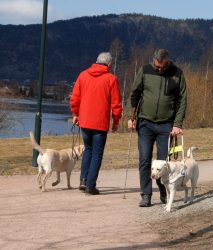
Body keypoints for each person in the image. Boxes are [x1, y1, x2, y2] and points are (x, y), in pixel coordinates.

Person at [128, 48, 187, 207]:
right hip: (145, 123)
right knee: (145, 160)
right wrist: (131, 117)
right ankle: (146, 195)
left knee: (164, 163)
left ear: (167, 62)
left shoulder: (177, 74)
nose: (159, 69)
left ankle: (163, 191)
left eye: (162, 67)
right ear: (153, 60)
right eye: (157, 66)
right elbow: (135, 94)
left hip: (166, 125)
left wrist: (177, 124)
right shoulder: (145, 71)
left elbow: (182, 100)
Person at [70, 52, 122, 195]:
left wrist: (75, 114)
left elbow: (75, 99)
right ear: (109, 64)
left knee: (88, 150)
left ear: (96, 61)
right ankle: (90, 186)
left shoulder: (83, 75)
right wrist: (116, 121)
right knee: (97, 153)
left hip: (85, 121)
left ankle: (83, 180)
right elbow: (116, 104)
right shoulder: (111, 79)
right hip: (100, 123)